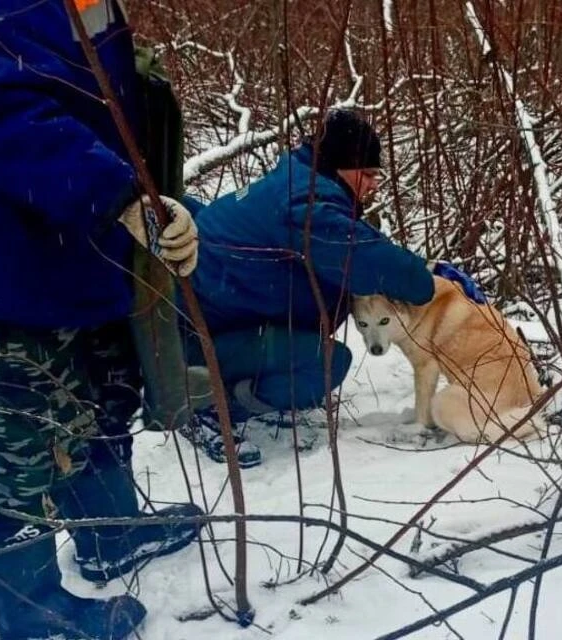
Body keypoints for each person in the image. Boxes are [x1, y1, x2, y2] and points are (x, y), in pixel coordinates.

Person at [0, 2, 202, 638]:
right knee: (29, 442)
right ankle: (29, 606)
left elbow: (92, 89)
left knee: (108, 397)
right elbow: (0, 113)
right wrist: (118, 194)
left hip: (80, 250)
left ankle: (108, 534)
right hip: (11, 270)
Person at [181, 110, 443, 467]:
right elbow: (399, 275)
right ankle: (206, 401)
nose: (373, 184)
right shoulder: (306, 206)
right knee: (327, 365)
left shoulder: (295, 181)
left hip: (209, 318)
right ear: (340, 165)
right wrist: (431, 279)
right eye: (366, 174)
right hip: (198, 338)